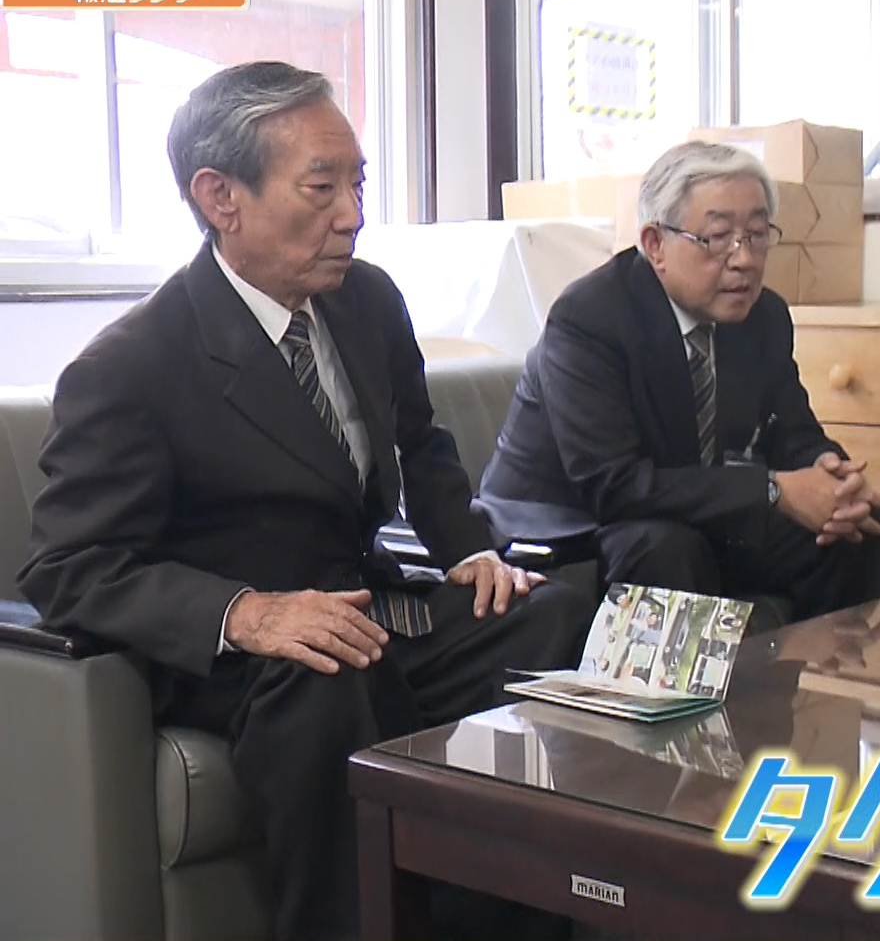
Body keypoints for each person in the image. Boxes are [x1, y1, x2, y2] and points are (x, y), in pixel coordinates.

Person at [15, 62, 596, 940]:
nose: (352, 215)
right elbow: (69, 567)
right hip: (247, 655)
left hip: (364, 607)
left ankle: (530, 913)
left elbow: (421, 442)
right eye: (321, 188)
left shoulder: (366, 300)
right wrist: (248, 613)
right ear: (221, 197)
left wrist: (470, 553)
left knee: (552, 618)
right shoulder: (132, 365)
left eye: (358, 184)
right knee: (327, 680)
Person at [477, 141, 880, 628]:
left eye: (757, 234)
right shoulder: (590, 318)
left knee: (859, 530)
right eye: (718, 237)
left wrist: (831, 475)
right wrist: (774, 491)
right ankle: (681, 684)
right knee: (668, 549)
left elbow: (794, 432)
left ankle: (828, 678)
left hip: (687, 510)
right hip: (570, 524)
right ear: (655, 244)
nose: (744, 259)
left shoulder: (763, 316)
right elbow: (614, 486)